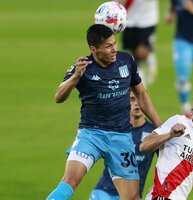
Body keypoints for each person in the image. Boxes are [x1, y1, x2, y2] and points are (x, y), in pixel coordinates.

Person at [46, 24, 161, 200]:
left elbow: (142, 95)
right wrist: (76, 77)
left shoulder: (126, 61)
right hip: (91, 134)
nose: (114, 49)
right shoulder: (83, 67)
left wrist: (160, 128)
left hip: (121, 138)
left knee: (131, 197)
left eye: (114, 43)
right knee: (70, 181)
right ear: (94, 49)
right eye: (108, 46)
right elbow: (58, 97)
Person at [89, 91, 156, 200]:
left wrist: (157, 185)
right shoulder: (115, 127)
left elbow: (167, 159)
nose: (136, 103)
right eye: (132, 99)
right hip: (104, 191)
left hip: (131, 195)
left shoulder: (154, 132)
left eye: (139, 99)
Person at [121, 0, 159, 86]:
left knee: (141, 52)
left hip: (147, 20)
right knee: (133, 56)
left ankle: (149, 57)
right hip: (128, 19)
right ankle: (141, 82)